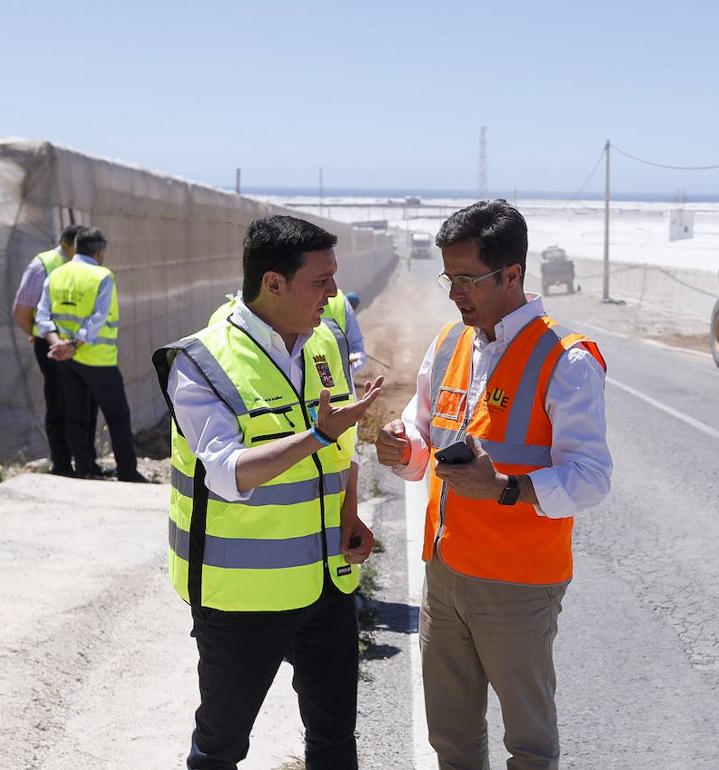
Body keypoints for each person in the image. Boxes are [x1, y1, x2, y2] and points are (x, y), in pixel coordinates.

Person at [376, 199, 611, 770]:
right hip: (445, 574)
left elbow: (590, 479)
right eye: (449, 277)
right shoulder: (450, 343)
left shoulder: (566, 359)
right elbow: (423, 429)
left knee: (528, 746)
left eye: (467, 279)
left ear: (512, 275)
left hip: (518, 583)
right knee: (451, 738)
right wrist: (401, 445)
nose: (455, 292)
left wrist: (505, 487)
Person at [153, 214, 384, 770]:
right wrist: (317, 434)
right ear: (273, 283)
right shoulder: (200, 363)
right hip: (243, 595)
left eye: (334, 278)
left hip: (327, 578)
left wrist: (349, 512)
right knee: (222, 745)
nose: (333, 293)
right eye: (321, 281)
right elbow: (229, 474)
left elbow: (341, 446)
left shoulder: (323, 341)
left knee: (333, 736)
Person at [35, 227, 146, 482]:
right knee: (117, 416)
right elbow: (99, 317)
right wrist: (73, 344)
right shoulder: (102, 276)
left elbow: (43, 317)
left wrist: (57, 344)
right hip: (98, 360)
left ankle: (85, 468)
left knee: (76, 415)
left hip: (66, 360)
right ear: (99, 251)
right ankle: (127, 472)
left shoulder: (56, 275)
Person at [11, 224, 98, 476]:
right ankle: (61, 464)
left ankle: (86, 462)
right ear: (69, 245)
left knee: (86, 405)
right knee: (60, 403)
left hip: (80, 346)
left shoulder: (84, 267)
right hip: (52, 348)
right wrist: (36, 335)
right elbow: (22, 310)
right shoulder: (43, 265)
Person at [211, 285, 367, 373]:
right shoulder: (222, 319)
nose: (331, 289)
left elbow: (357, 350)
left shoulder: (338, 302)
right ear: (273, 283)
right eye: (319, 280)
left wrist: (342, 368)